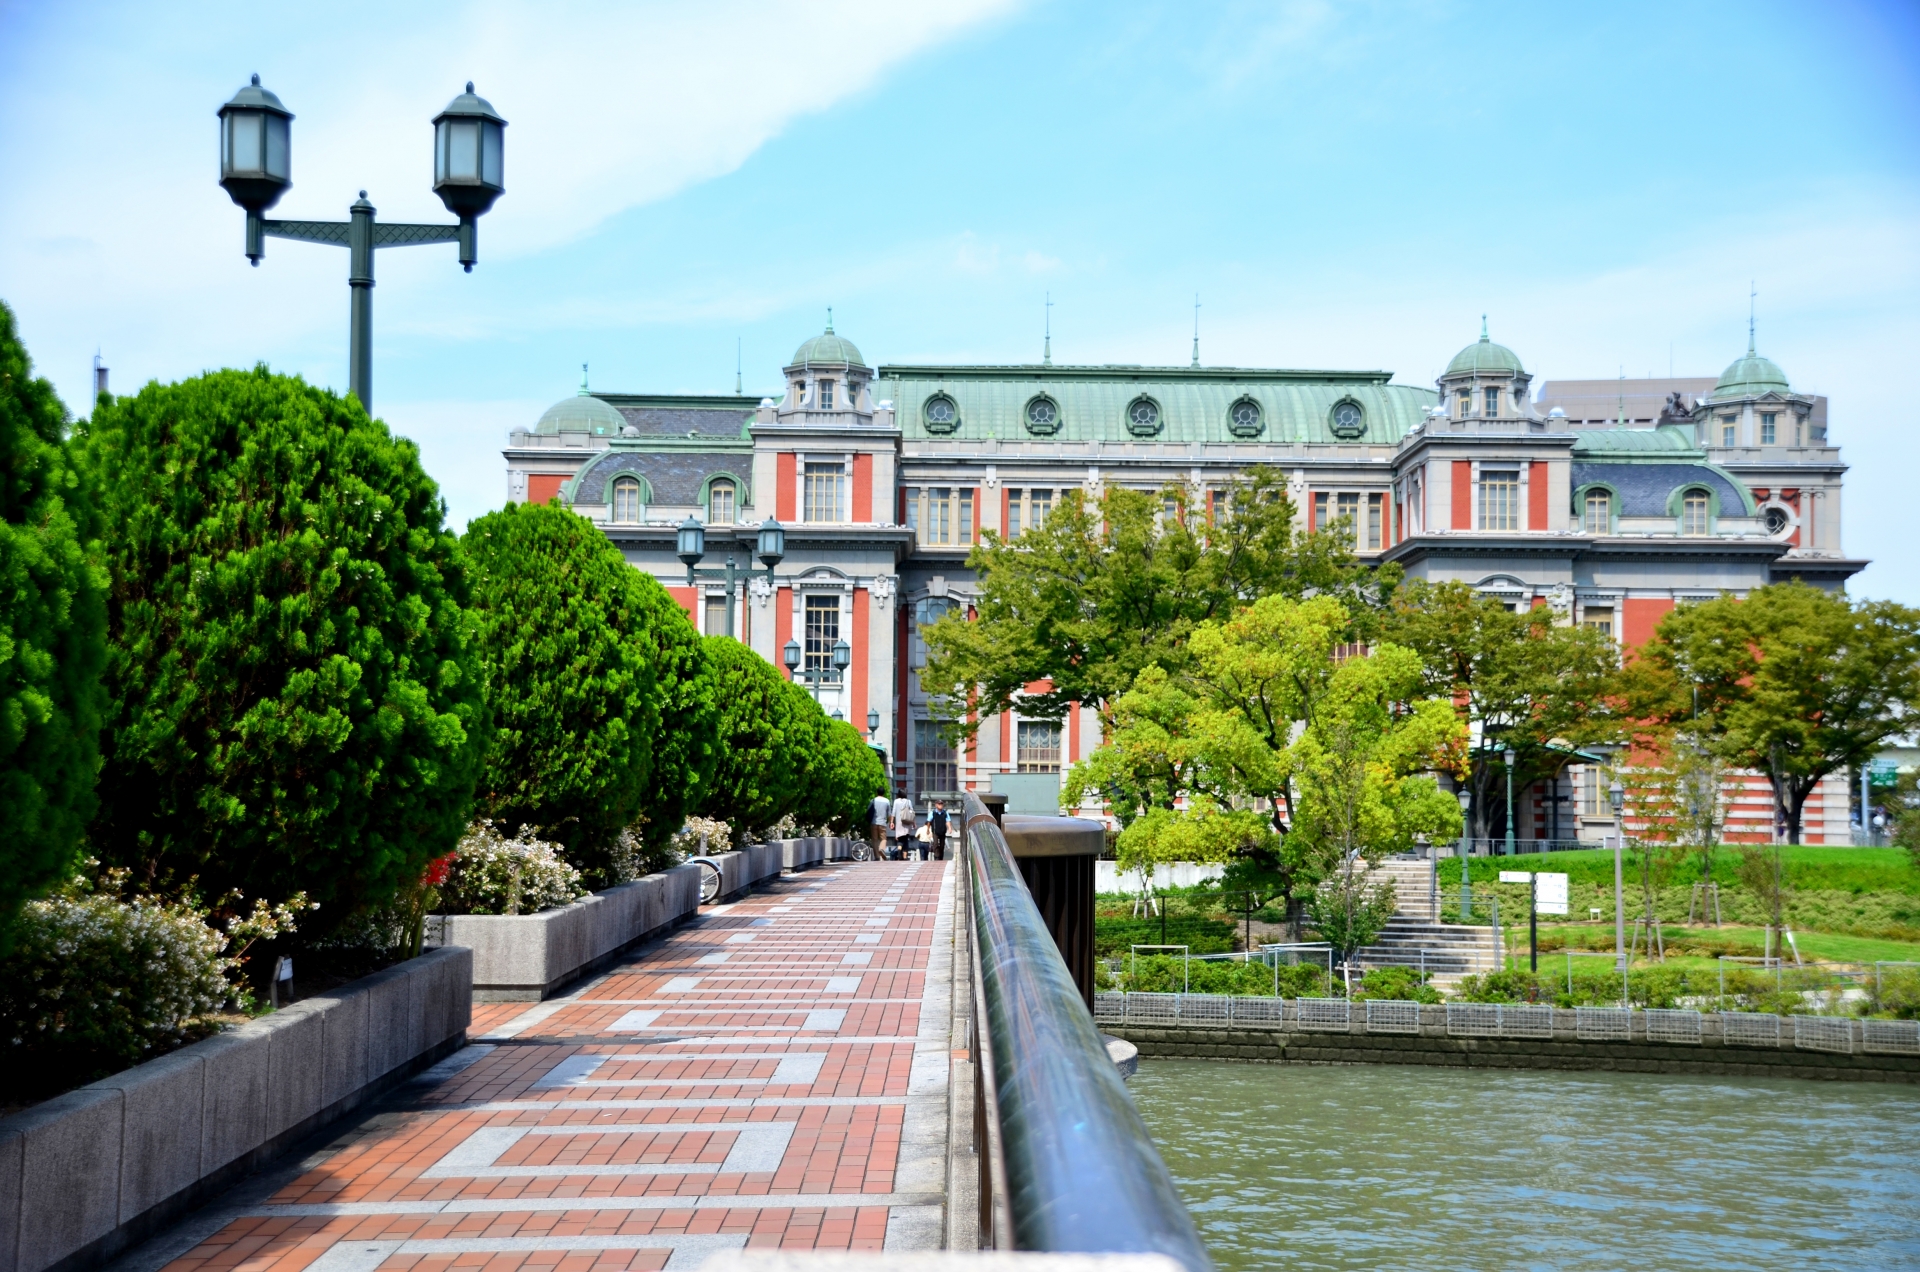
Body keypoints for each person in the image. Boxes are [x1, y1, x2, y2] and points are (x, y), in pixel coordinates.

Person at [891, 790, 916, 861]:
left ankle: (899, 852)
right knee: (905, 839)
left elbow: (893, 812)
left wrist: (892, 822)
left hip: (899, 823)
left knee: (900, 839)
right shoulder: (908, 801)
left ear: (899, 794)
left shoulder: (896, 801)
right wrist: (914, 823)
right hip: (907, 822)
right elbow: (912, 813)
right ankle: (905, 856)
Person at [868, 791, 889, 862]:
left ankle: (877, 856)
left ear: (877, 793)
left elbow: (869, 810)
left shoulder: (873, 800)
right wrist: (891, 822)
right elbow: (889, 813)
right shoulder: (887, 801)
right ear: (884, 793)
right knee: (883, 839)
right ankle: (881, 849)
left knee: (875, 840)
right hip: (882, 823)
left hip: (874, 822)